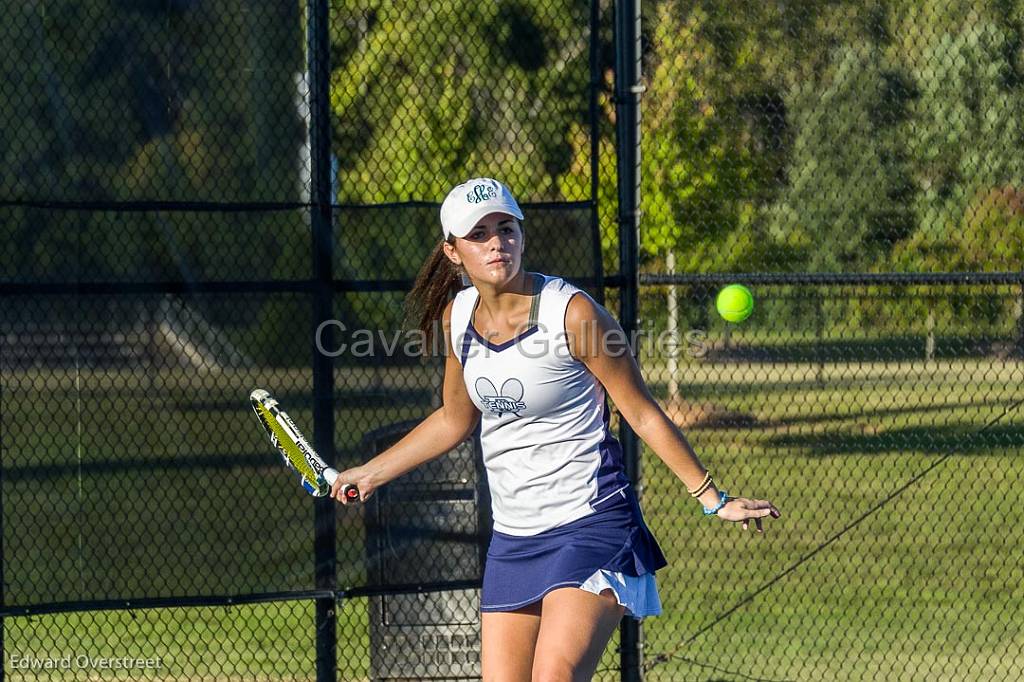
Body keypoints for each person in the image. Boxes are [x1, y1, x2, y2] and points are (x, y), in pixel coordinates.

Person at [329, 177, 780, 682]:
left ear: (522, 233)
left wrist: (713, 498)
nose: (497, 242)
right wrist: (370, 473)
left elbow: (642, 412)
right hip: (515, 536)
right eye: (478, 234)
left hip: (592, 522)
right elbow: (455, 419)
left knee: (556, 675)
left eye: (506, 227)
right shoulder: (458, 317)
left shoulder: (574, 313)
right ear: (452, 251)